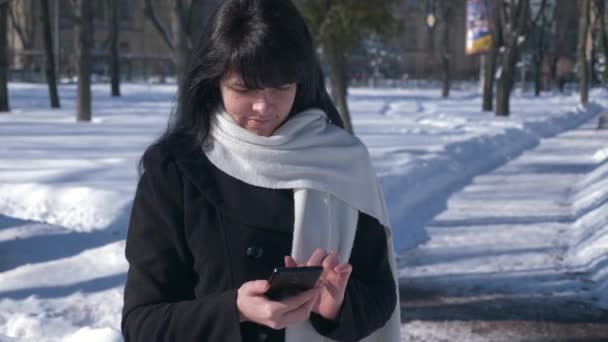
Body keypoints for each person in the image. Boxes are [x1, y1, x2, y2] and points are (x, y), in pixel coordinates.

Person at [121, 0, 401, 341]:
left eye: (281, 86)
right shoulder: (176, 169)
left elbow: (380, 296)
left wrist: (336, 306)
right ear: (214, 80)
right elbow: (142, 324)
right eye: (244, 88)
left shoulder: (342, 162)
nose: (264, 107)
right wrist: (234, 310)